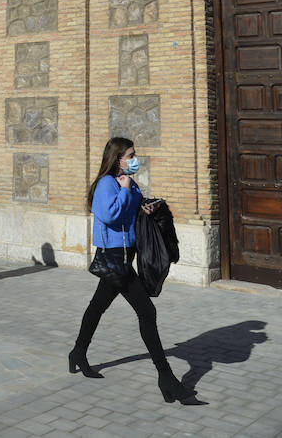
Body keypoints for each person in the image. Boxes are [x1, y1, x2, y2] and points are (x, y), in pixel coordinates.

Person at [70, 136, 202, 404]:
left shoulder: (127, 183)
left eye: (134, 155)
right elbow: (108, 215)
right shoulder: (107, 184)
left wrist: (147, 207)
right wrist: (125, 188)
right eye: (130, 155)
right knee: (146, 311)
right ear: (117, 158)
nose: (134, 159)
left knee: (97, 306)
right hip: (114, 257)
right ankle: (167, 379)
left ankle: (78, 352)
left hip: (127, 255)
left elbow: (133, 211)